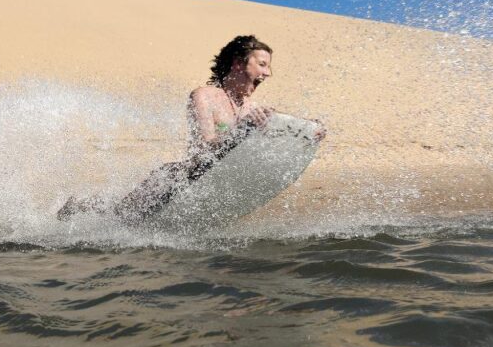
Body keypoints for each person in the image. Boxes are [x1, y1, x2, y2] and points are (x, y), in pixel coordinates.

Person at [59, 35, 324, 224]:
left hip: (208, 183)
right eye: (262, 65)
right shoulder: (204, 97)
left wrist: (307, 133)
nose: (268, 74)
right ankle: (80, 206)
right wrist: (242, 129)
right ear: (237, 64)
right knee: (120, 215)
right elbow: (202, 148)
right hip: (175, 180)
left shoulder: (252, 109)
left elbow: (267, 146)